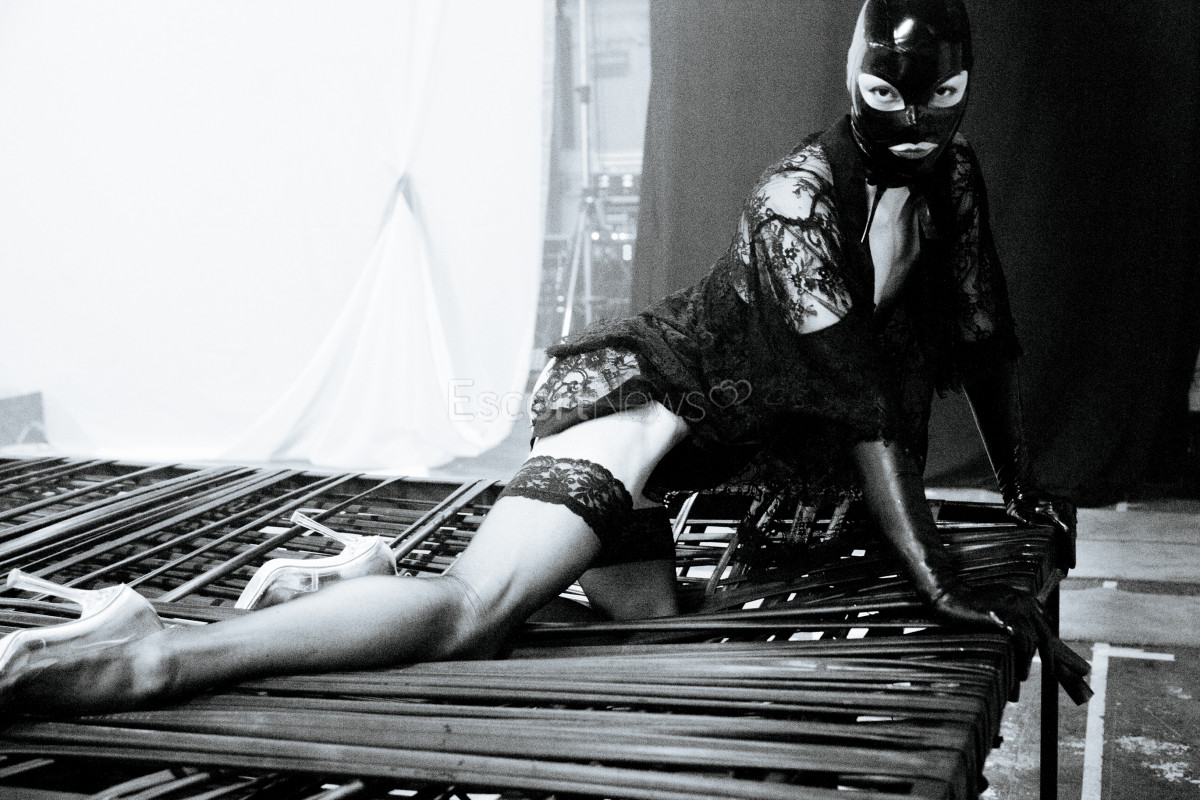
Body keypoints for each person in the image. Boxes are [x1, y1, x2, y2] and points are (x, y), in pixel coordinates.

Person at [0, 0, 1076, 716]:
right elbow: (862, 402)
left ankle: (369, 584)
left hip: (707, 448)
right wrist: (941, 583)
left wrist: (1021, 483)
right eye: (889, 95)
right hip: (636, 410)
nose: (917, 121)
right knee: (471, 611)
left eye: (941, 97)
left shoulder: (952, 177)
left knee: (654, 635)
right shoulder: (795, 200)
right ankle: (152, 653)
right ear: (854, 78)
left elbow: (982, 333)